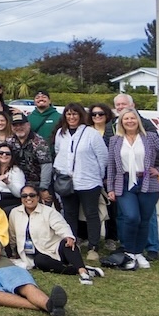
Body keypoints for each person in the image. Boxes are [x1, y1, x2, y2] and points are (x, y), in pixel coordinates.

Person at [10, 185, 105, 284]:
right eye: (24, 196)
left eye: (32, 195)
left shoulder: (48, 212)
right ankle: (80, 270)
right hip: (35, 255)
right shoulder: (15, 212)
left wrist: (68, 236)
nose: (28, 198)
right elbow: (12, 234)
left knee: (68, 244)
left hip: (52, 248)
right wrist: (13, 252)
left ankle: (83, 273)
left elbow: (60, 225)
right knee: (40, 261)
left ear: (38, 197)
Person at [49, 103, 108, 258]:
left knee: (91, 214)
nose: (71, 117)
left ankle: (93, 247)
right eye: (68, 114)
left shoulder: (91, 133)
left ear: (81, 115)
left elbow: (102, 157)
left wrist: (98, 176)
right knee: (70, 213)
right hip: (66, 181)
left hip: (89, 181)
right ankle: (72, 244)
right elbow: (58, 153)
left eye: (75, 114)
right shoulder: (61, 134)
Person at [105, 108, 159, 268]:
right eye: (126, 119)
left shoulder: (149, 137)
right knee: (131, 217)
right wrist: (110, 188)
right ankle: (129, 252)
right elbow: (111, 166)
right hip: (124, 182)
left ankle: (138, 253)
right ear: (121, 122)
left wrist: (158, 170)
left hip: (147, 182)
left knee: (144, 220)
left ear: (138, 120)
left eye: (132, 118)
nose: (130, 121)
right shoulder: (116, 140)